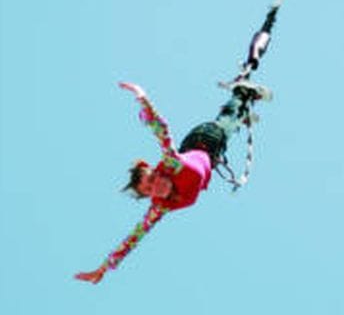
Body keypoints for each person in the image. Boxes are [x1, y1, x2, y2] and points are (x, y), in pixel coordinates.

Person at [74, 81, 269, 284]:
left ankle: (241, 97)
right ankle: (240, 116)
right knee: (227, 131)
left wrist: (143, 99)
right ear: (150, 197)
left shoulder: (171, 165)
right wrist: (104, 268)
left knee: (224, 125)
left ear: (156, 173)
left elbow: (161, 130)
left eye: (152, 178)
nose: (156, 184)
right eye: (150, 189)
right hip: (213, 157)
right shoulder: (160, 208)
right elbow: (132, 239)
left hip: (204, 138)